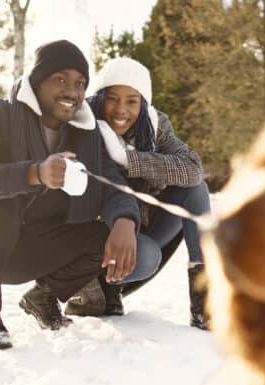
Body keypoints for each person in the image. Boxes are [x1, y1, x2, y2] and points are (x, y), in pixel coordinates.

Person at [0, 41, 160, 349]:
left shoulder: (85, 133)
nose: (71, 91)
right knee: (0, 201)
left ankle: (44, 296)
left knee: (101, 233)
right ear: (37, 81)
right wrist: (35, 174)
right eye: (60, 79)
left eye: (80, 83)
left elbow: (111, 185)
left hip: (34, 249)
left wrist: (125, 220)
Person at [65, 57, 212, 329]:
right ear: (100, 99)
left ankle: (203, 302)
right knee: (147, 256)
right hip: (98, 238)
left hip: (141, 225)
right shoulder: (82, 126)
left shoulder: (156, 126)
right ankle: (94, 287)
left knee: (196, 190)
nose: (121, 109)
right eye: (112, 99)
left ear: (143, 103)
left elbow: (193, 170)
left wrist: (127, 159)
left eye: (132, 101)